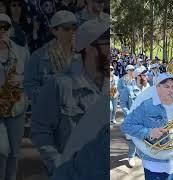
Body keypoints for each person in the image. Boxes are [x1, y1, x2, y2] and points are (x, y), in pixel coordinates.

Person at [30, 18, 108, 177]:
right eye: (106, 44)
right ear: (89, 48)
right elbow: (40, 129)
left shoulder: (111, 86)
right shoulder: (59, 85)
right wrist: (58, 165)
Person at [121, 73, 173, 180]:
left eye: (172, 86)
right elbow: (126, 125)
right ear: (157, 88)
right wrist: (148, 132)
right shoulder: (147, 105)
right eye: (167, 87)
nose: (171, 90)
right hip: (154, 163)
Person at [24, 10, 80, 106]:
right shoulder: (39, 56)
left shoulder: (82, 53)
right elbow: (30, 87)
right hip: (51, 113)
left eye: (74, 27)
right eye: (66, 28)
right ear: (54, 31)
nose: (72, 32)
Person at [0, 14, 30, 180]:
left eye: (5, 27)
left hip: (16, 109)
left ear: (10, 29)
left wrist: (21, 79)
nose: (1, 31)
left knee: (14, 153)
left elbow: (32, 78)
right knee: (1, 151)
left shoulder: (21, 52)